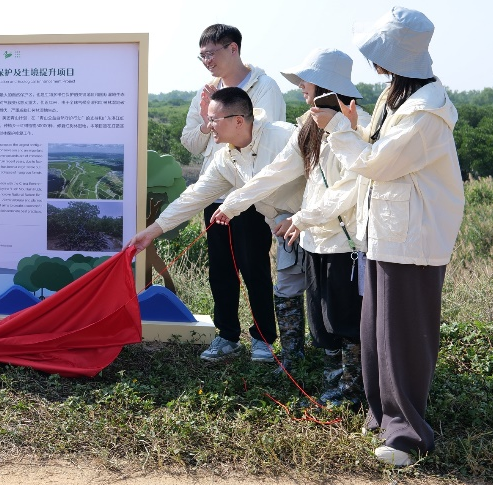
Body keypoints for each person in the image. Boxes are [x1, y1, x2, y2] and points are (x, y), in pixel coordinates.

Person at [309, 8, 464, 468]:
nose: (373, 63)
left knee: (403, 336)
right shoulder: (397, 96)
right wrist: (353, 128)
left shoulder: (426, 113)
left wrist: (338, 129)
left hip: (412, 237)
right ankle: (383, 417)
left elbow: (378, 163)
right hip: (386, 232)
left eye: (378, 53)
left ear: (393, 56)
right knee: (375, 329)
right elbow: (375, 150)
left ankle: (408, 436)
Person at [213, 49, 372, 400]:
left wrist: (303, 217)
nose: (301, 87)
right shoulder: (307, 126)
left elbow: (349, 190)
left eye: (307, 82)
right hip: (314, 237)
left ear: (327, 87)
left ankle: (352, 389)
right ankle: (335, 382)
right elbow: (278, 171)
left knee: (343, 319)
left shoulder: (357, 125)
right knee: (320, 318)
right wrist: (234, 202)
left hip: (343, 243)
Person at [131, 87, 302, 361]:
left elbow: (274, 177)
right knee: (285, 287)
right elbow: (195, 195)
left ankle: (319, 361)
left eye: (213, 119)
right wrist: (153, 231)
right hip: (284, 224)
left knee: (319, 294)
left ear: (238, 120)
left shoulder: (283, 137)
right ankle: (280, 354)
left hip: (315, 220)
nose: (208, 126)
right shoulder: (227, 157)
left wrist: (233, 205)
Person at [179, 25, 287, 360]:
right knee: (220, 269)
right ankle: (226, 336)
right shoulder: (206, 91)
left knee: (254, 267)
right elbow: (191, 142)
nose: (207, 61)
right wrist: (204, 122)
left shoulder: (264, 87)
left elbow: (266, 137)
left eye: (212, 53)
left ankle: (263, 339)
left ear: (233, 49)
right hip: (215, 195)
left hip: (251, 195)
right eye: (202, 55)